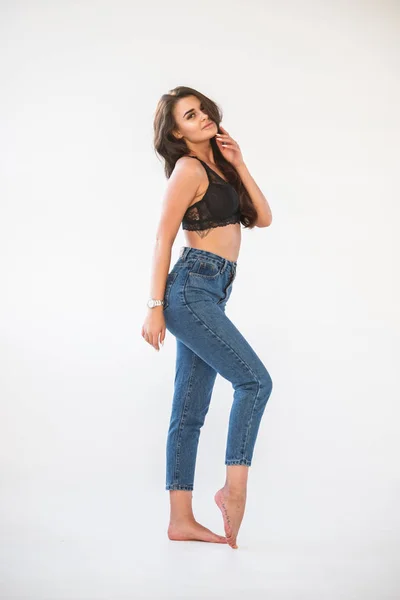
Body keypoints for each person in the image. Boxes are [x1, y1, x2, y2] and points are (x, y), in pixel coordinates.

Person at [141, 86, 273, 550]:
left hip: (213, 292)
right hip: (190, 290)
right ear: (177, 131)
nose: (203, 119)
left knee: (188, 412)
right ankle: (234, 488)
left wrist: (239, 163)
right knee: (255, 382)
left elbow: (263, 217)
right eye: (190, 115)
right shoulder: (188, 168)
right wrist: (155, 307)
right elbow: (163, 237)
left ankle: (181, 520)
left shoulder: (217, 166)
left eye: (204, 110)